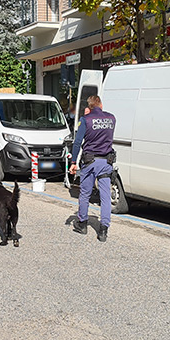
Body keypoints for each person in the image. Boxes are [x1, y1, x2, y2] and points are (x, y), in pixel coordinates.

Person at [69, 94, 117, 242]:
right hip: (105, 163)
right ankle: (103, 230)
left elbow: (77, 142)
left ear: (89, 107)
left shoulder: (85, 120)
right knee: (105, 196)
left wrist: (73, 162)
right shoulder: (111, 118)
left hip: (90, 162)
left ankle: (82, 224)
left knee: (85, 194)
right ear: (101, 104)